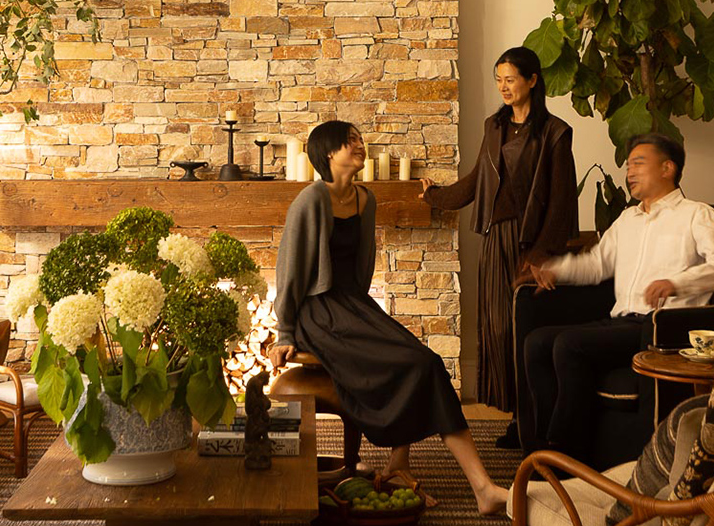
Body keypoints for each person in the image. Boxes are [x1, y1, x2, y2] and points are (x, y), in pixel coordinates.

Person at [269, 120, 508, 515]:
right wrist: (284, 333)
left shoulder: (366, 200)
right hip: (318, 312)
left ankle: (457, 480)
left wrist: (363, 313)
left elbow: (362, 266)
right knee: (414, 361)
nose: (360, 145)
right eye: (350, 141)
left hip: (352, 305)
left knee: (426, 362)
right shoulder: (309, 201)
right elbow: (289, 273)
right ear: (328, 152)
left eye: (360, 139)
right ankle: (464, 482)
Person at [419, 46, 578, 446]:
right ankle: (515, 418)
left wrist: (541, 255)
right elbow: (478, 180)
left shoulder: (555, 133)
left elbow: (561, 202)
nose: (503, 87)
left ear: (532, 80)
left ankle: (531, 421)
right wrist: (436, 196)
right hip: (495, 240)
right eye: (498, 80)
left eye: (510, 79)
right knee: (496, 331)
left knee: (525, 331)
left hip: (531, 244)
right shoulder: (494, 126)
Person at [523, 133, 714, 460]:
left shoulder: (696, 214)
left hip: (660, 331)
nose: (629, 172)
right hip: (619, 324)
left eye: (639, 163)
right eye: (628, 166)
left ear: (667, 168)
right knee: (537, 342)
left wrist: (676, 283)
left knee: (569, 344)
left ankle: (566, 453)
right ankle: (539, 446)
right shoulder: (627, 219)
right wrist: (555, 270)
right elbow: (597, 264)